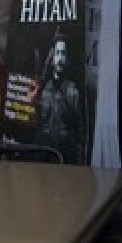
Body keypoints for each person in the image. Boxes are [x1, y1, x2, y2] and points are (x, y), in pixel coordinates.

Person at [35, 35, 86, 163]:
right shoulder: (42, 90)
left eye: (63, 53)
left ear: (67, 59)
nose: (60, 58)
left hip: (67, 162)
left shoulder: (74, 92)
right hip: (44, 161)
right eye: (57, 53)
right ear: (52, 58)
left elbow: (81, 135)